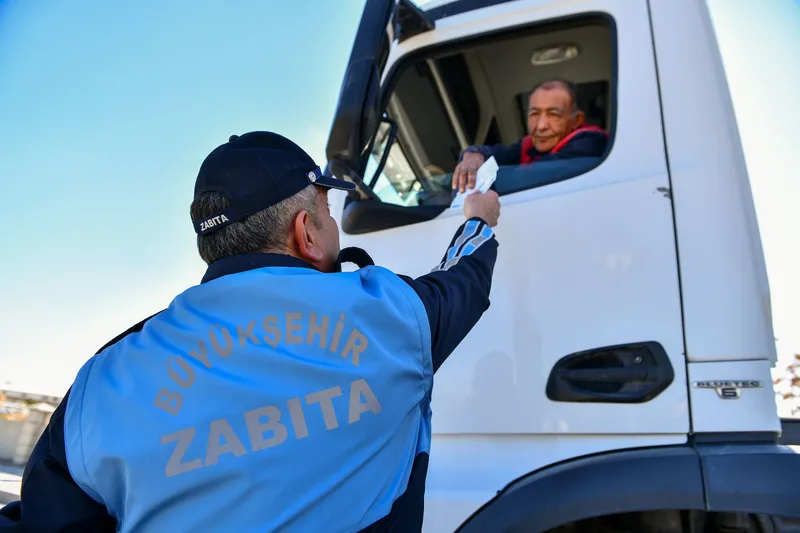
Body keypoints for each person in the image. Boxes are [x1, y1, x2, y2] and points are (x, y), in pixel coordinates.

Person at [0, 131, 501, 533]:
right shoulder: (387, 315)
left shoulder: (104, 380)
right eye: (327, 211)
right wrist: (479, 218)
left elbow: (48, 516)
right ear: (306, 232)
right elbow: (464, 279)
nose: (333, 225)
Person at [452, 78, 609, 193]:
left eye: (553, 115)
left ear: (577, 120)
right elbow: (500, 155)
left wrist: (475, 183)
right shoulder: (530, 144)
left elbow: (533, 175)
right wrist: (474, 154)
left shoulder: (592, 143)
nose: (541, 126)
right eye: (534, 114)